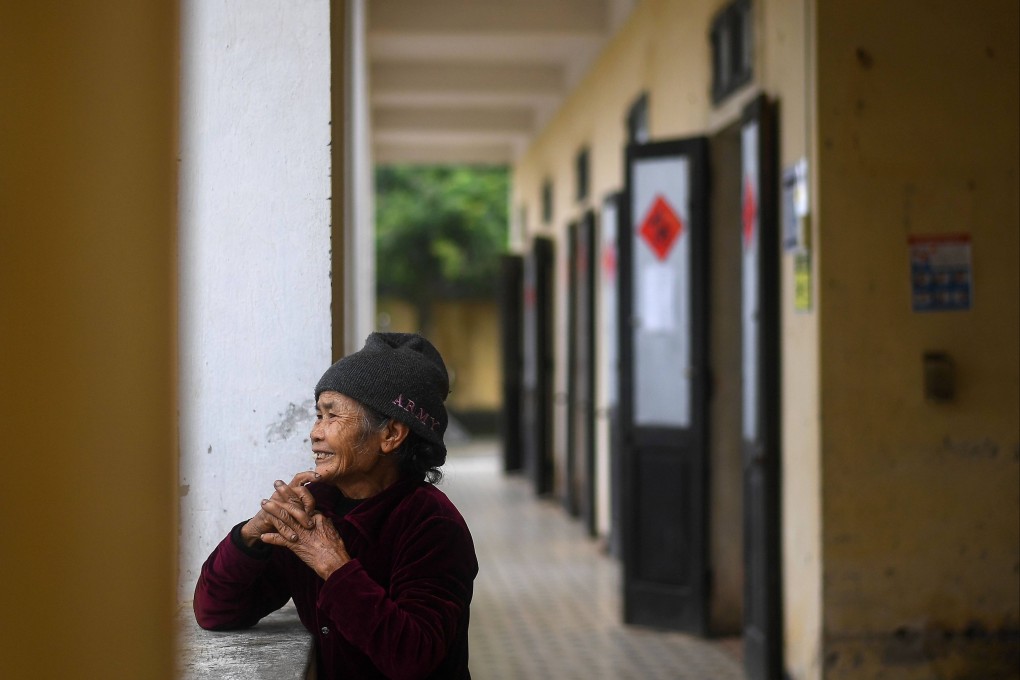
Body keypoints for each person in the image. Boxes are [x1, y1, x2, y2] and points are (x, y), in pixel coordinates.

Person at [194, 333, 478, 679]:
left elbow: (413, 658)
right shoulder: (317, 508)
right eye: (317, 415)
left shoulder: (433, 524)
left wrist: (334, 566)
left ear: (390, 435)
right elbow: (215, 612)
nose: (315, 433)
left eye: (332, 417)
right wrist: (250, 536)